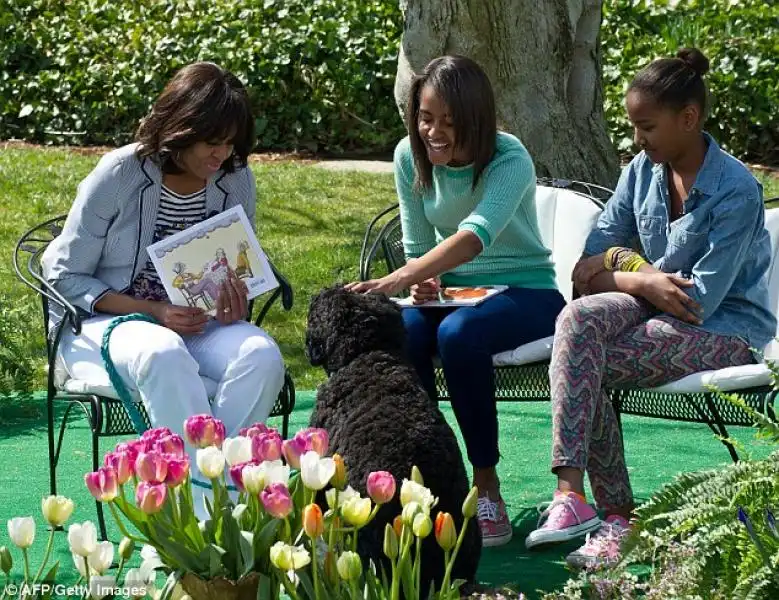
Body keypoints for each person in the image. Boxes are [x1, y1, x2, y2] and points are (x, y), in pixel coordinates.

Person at [524, 48, 776, 568]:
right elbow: (589, 259)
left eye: (647, 127)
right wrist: (638, 275)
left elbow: (696, 301)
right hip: (650, 303)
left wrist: (626, 275)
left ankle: (618, 519)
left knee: (583, 363)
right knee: (577, 321)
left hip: (727, 327)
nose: (637, 140)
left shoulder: (737, 192)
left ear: (688, 119)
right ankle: (570, 496)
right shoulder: (642, 169)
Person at [347, 55, 566, 547]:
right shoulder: (410, 156)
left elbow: (474, 237)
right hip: (454, 295)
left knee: (459, 334)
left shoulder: (509, 158)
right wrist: (423, 283)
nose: (434, 132)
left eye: (448, 121)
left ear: (476, 119)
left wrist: (398, 280)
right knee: (405, 332)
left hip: (526, 291)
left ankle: (486, 486)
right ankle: (429, 478)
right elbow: (419, 246)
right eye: (426, 118)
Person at [42, 62, 286, 495]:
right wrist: (151, 310)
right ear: (179, 129)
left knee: (261, 354)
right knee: (163, 350)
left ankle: (222, 500)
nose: (222, 156)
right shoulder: (120, 174)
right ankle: (192, 511)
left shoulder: (235, 179)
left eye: (230, 144)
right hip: (102, 327)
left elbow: (237, 267)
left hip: (197, 325)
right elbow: (61, 274)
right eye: (212, 143)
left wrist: (235, 302)